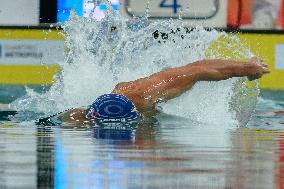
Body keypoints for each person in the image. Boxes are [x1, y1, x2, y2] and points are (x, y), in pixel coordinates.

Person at [38, 57, 270, 126]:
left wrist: (244, 68)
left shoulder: (147, 93)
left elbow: (198, 70)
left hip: (153, 91)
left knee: (189, 71)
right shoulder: (84, 116)